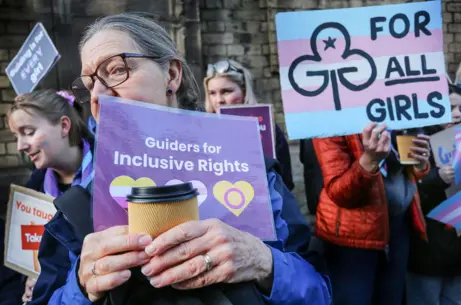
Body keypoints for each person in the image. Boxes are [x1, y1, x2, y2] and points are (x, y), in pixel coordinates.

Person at [27, 13, 331, 305]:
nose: (99, 95)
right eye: (90, 84)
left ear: (171, 74)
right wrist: (81, 287)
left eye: (117, 70)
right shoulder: (75, 209)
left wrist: (264, 263)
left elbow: (319, 291)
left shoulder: (256, 175)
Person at [313, 122, 431, 305]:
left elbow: (407, 172)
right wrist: (370, 160)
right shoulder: (331, 119)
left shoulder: (399, 113)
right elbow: (340, 193)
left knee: (391, 298)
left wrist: (420, 165)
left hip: (398, 227)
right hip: (353, 236)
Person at [7, 89, 94, 304]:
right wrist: (32, 282)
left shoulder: (109, 176)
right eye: (17, 136)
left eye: (28, 132)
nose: (21, 146)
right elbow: (26, 261)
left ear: (64, 126)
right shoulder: (31, 191)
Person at [406, 84, 461, 305]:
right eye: (450, 107)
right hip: (427, 244)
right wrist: (436, 179)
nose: (457, 114)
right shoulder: (415, 140)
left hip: (458, 245)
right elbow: (409, 194)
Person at [203, 59, 294, 190]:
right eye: (212, 93)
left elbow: (285, 182)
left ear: (244, 91)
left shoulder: (268, 129)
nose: (218, 100)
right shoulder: (201, 131)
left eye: (226, 91)